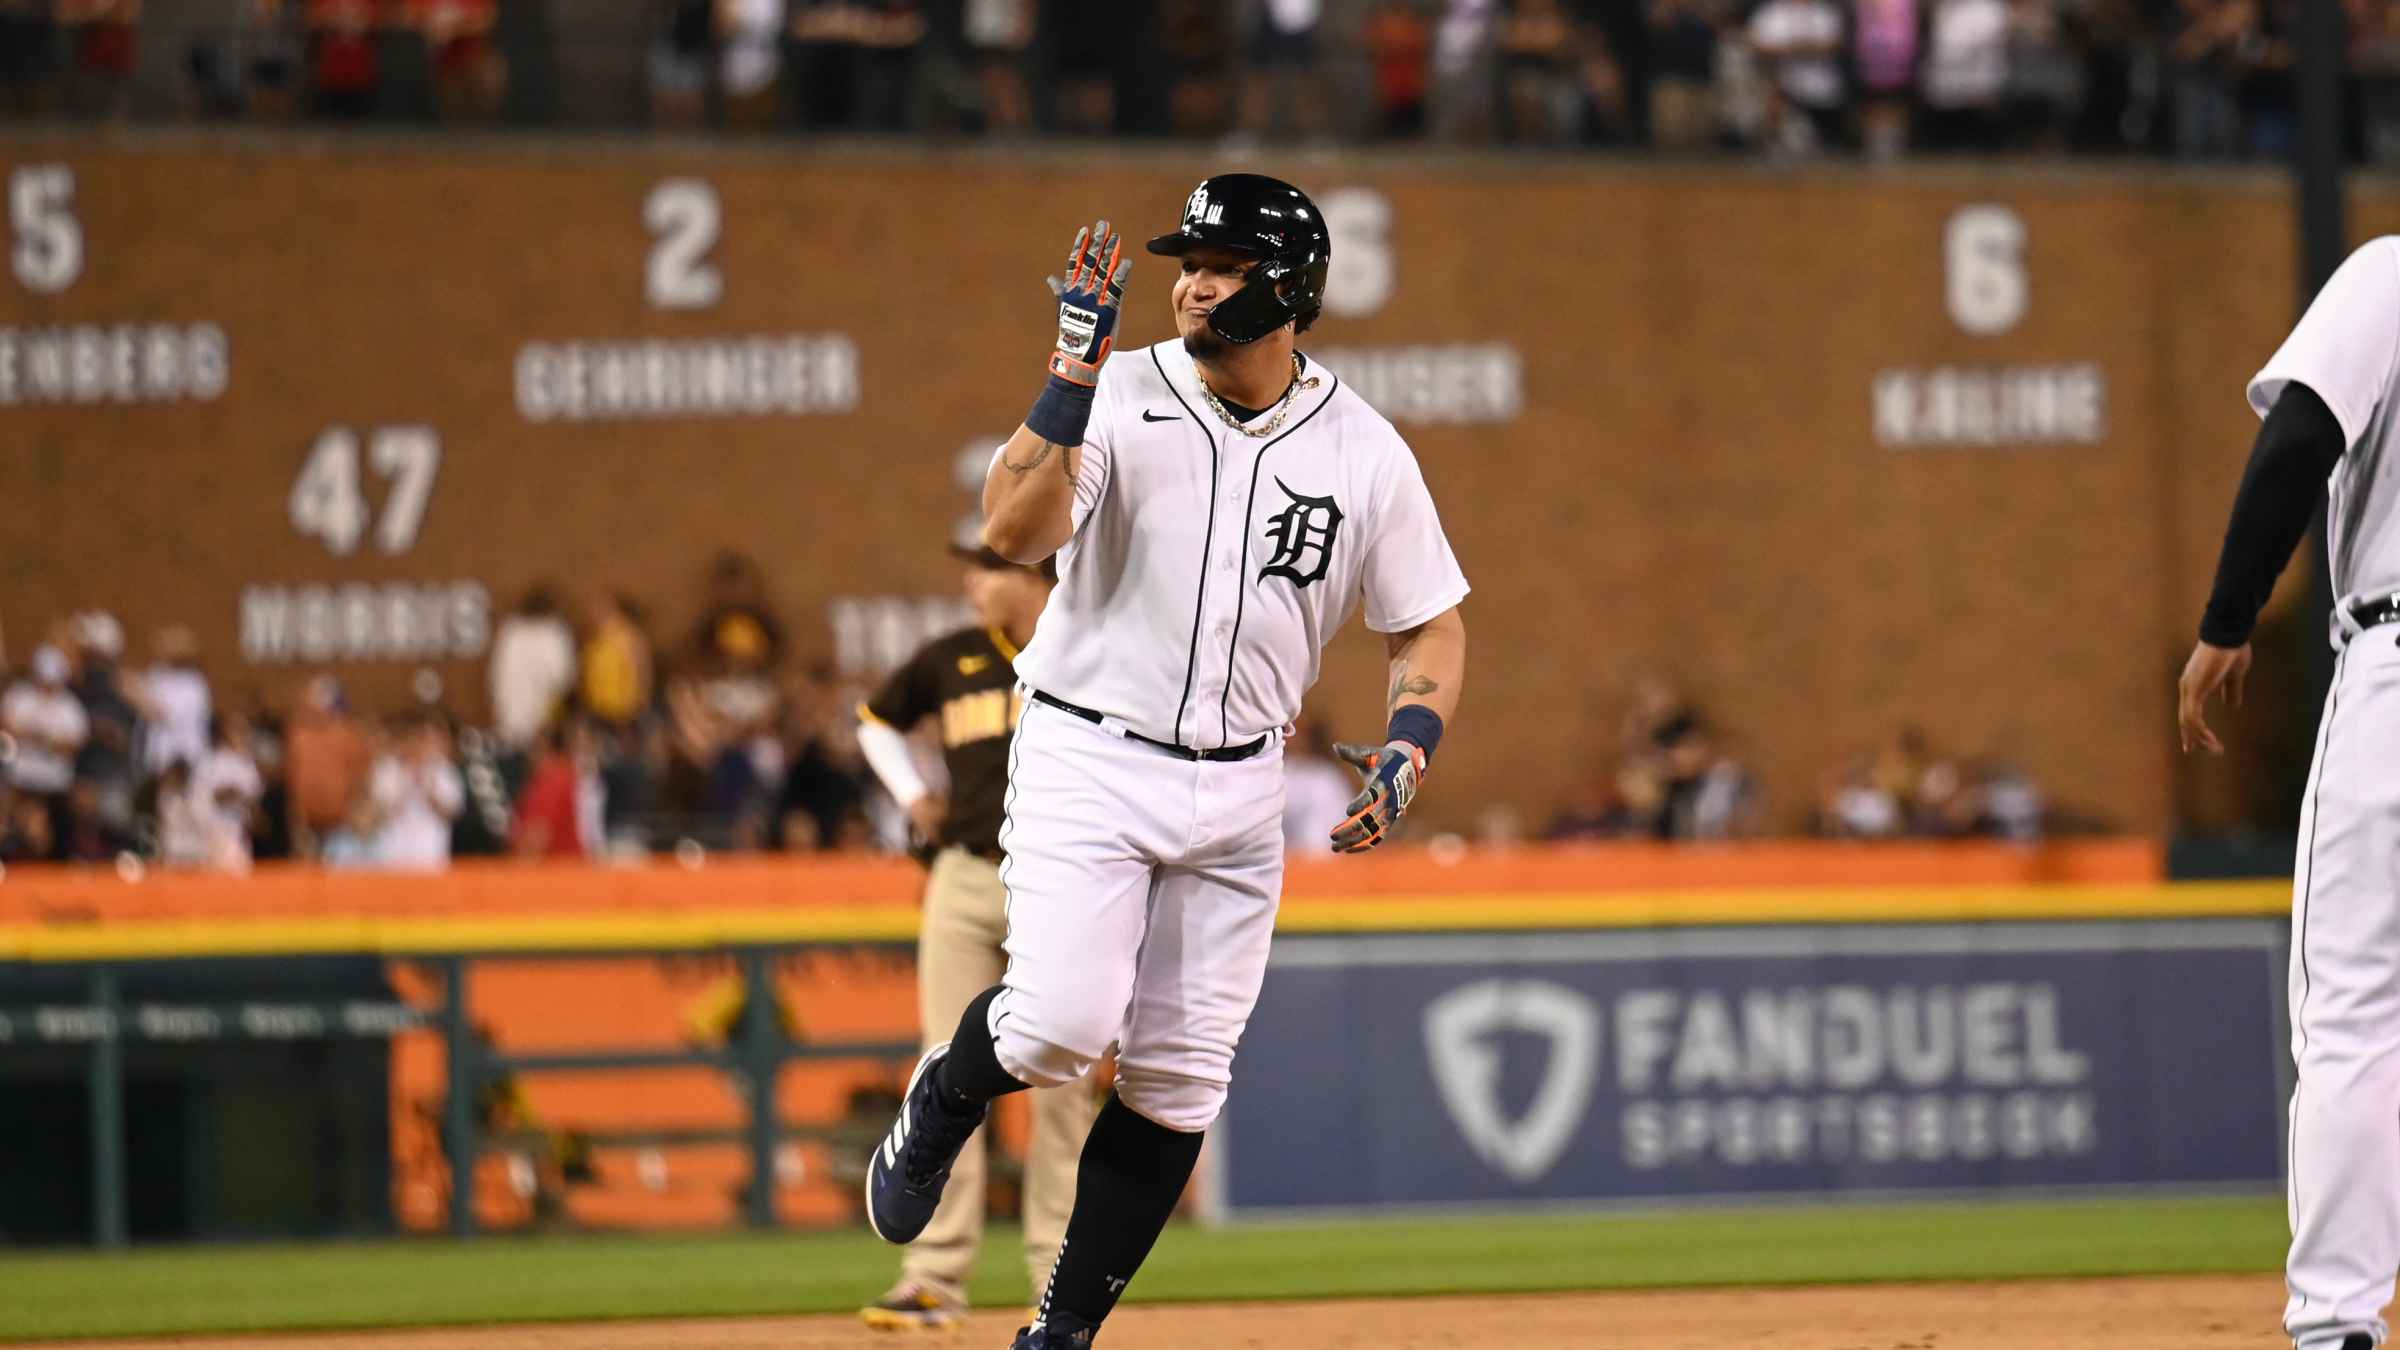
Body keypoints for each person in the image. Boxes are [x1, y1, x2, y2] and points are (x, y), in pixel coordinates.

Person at [862, 175, 1470, 1349]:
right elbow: (1010, 532)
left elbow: (1429, 621)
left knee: (1181, 1081)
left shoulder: (1364, 450)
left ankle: (1062, 1332)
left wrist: (1411, 741)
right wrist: (1067, 378)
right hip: (1092, 749)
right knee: (1052, 1027)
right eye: (1188, 259)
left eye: (1224, 262)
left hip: (1242, 783)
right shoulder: (1123, 389)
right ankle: (944, 1093)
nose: (1191, 279)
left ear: (1289, 287)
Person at [2176, 234, 2400, 1350]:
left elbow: (2299, 439)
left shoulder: (2389, 274)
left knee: (2354, 1013)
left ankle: (2337, 1326)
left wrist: (2227, 619)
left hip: (2395, 668)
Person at [851, 544, 1098, 1331]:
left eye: (988, 569)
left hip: (1059, 877)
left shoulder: (1089, 638)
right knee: (943, 1071)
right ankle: (932, 1277)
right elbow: (876, 723)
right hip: (962, 873)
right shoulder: (953, 657)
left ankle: (1056, 1277)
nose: (971, 582)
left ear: (1036, 577)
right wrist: (910, 791)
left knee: (1062, 1083)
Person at [3, 645, 89, 841]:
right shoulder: (19, 698)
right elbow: (7, 729)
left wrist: (41, 738)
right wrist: (42, 738)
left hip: (55, 781)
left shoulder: (70, 707)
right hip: (20, 777)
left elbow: (74, 745)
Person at [362, 712, 464, 870]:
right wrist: (405, 782)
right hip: (393, 852)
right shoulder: (387, 769)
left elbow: (450, 812)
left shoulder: (442, 769)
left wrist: (429, 788)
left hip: (430, 852)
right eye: (414, 740)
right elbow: (381, 811)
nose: (417, 746)